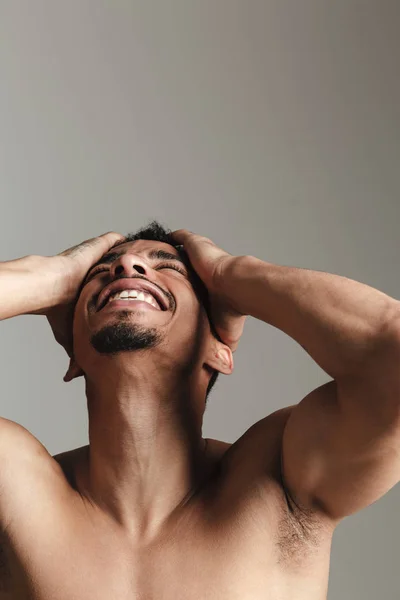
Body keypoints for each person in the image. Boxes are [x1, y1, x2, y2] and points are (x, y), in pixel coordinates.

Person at [0, 220, 399, 599]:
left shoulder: (278, 480)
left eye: (168, 267)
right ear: (73, 356)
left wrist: (231, 274)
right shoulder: (17, 487)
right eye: (99, 272)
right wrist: (46, 277)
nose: (126, 264)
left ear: (220, 352)